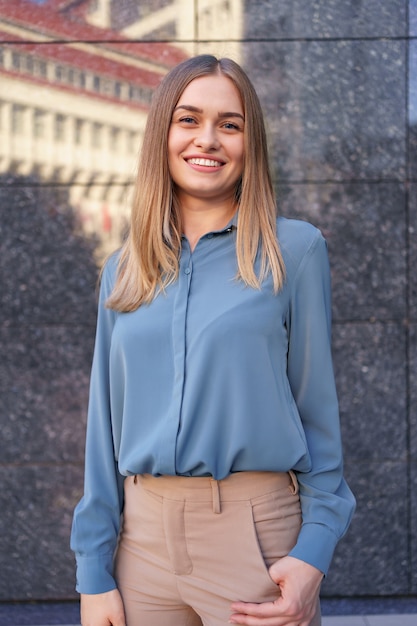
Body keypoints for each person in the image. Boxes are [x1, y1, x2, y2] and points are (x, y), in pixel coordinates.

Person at [71, 54, 355, 626]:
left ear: (251, 143)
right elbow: (103, 429)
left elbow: (318, 415)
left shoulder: (293, 251)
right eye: (188, 119)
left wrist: (313, 555)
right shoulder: (125, 267)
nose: (208, 139)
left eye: (230, 124)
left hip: (255, 542)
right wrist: (93, 571)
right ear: (163, 135)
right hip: (141, 547)